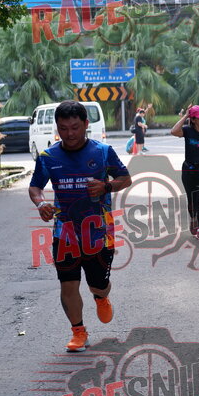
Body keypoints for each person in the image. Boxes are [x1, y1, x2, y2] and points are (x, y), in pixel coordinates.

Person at [28, 101, 132, 352]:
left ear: (86, 124)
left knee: (98, 284)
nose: (70, 134)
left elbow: (125, 178)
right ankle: (78, 332)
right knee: (68, 283)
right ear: (57, 128)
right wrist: (41, 203)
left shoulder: (103, 151)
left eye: (75, 127)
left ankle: (101, 296)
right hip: (64, 232)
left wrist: (106, 186)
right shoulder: (48, 157)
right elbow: (35, 187)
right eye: (63, 128)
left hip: (98, 232)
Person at [170, 105, 199, 241]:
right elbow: (174, 131)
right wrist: (186, 116)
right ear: (194, 120)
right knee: (192, 200)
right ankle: (193, 218)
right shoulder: (188, 131)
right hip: (189, 170)